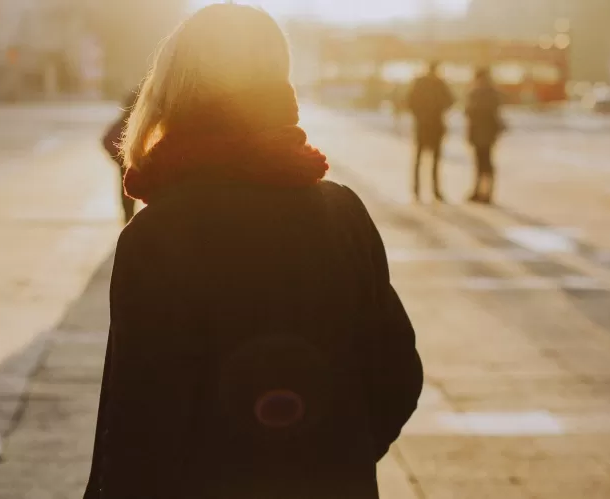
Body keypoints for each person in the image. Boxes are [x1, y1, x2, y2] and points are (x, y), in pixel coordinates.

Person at [84, 5, 423, 499]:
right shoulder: (341, 213)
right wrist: (333, 455)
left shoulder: (160, 234)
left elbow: (141, 427)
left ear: (175, 90)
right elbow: (398, 375)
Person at [407, 61, 454, 202]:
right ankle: (431, 190)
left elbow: (410, 101)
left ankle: (420, 190)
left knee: (422, 160)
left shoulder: (420, 83)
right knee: (431, 160)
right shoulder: (438, 84)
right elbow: (450, 100)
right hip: (432, 126)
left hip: (425, 126)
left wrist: (420, 114)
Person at [465, 67, 504, 204]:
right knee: (480, 163)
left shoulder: (481, 93)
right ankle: (480, 190)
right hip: (481, 134)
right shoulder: (485, 93)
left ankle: (486, 192)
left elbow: (471, 112)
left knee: (485, 164)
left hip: (485, 134)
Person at [101, 87, 141, 222]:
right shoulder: (129, 122)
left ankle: (129, 219)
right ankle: (129, 219)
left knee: (127, 196)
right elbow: (107, 140)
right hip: (130, 165)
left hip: (131, 164)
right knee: (127, 196)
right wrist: (121, 159)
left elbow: (106, 140)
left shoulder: (135, 121)